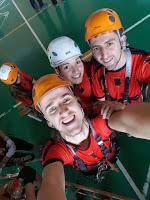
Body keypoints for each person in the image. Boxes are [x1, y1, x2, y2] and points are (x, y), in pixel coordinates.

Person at [32, 74, 150, 200]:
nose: (64, 111)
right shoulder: (55, 152)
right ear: (49, 121)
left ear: (78, 102)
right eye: (52, 109)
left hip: (110, 155)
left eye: (66, 100)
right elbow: (51, 183)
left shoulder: (102, 118)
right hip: (93, 168)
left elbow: (134, 120)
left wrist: (124, 110)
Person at [47, 36, 124, 119]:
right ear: (58, 71)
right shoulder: (57, 94)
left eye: (77, 61)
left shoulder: (95, 71)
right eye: (67, 67)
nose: (76, 71)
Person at [85, 8, 150, 104]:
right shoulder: (96, 69)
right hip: (113, 116)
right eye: (96, 48)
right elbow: (101, 104)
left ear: (122, 40)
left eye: (109, 44)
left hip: (137, 115)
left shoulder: (143, 63)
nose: (104, 55)